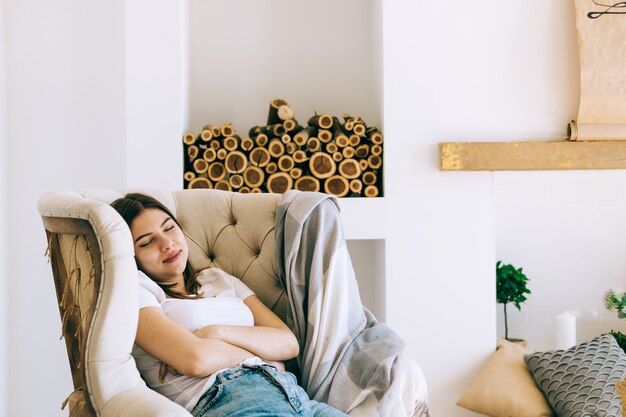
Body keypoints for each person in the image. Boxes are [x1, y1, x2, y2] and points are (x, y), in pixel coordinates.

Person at [111, 193, 348, 417]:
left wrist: (213, 333)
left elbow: (288, 344)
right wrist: (264, 359)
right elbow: (196, 360)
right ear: (131, 255)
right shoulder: (137, 290)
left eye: (169, 228)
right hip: (229, 398)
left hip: (295, 395)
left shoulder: (217, 279)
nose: (166, 243)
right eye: (147, 242)